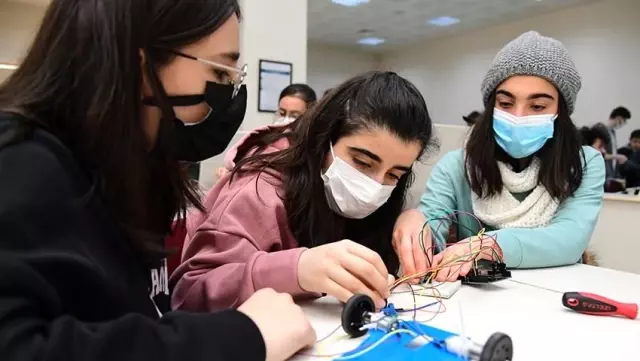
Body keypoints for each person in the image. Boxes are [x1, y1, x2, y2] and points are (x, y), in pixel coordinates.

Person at [0, 1, 315, 361]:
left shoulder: (127, 173)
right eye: (220, 74)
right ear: (139, 65)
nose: (228, 95)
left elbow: (138, 318)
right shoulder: (19, 161)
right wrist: (243, 337)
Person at [171, 71, 437, 311]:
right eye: (362, 162)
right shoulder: (260, 189)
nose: (374, 186)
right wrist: (296, 270)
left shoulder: (383, 199)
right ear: (325, 140)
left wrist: (410, 218)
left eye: (394, 175)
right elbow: (189, 293)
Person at [392, 31, 605, 282]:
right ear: (491, 106)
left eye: (537, 106)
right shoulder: (456, 166)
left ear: (561, 111)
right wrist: (416, 226)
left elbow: (569, 240)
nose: (518, 116)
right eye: (505, 103)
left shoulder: (584, 163)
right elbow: (433, 223)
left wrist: (487, 245)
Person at [214, 83, 317, 180]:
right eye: (282, 113)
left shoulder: (312, 150)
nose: (286, 119)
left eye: (295, 116)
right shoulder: (267, 139)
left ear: (309, 116)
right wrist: (228, 171)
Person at [593, 106, 632, 178]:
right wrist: (617, 157)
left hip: (611, 172)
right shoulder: (600, 128)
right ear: (619, 118)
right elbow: (597, 153)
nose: (624, 123)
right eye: (624, 121)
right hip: (602, 171)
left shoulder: (612, 132)